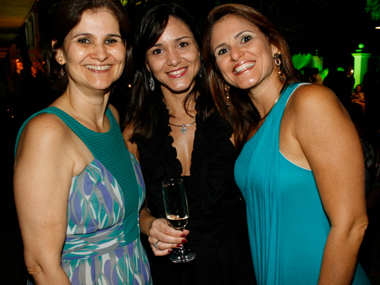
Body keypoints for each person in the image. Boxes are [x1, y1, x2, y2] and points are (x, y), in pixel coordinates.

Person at [202, 3, 371, 285]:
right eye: (222, 50)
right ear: (218, 70)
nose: (235, 54)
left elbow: (353, 224)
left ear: (274, 46)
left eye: (245, 38)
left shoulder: (309, 102)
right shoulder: (252, 128)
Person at [13, 0, 151, 284]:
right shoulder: (47, 132)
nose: (100, 53)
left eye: (111, 40)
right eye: (84, 40)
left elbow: (128, 218)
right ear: (60, 52)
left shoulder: (112, 116)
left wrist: (151, 224)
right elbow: (41, 265)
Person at [123, 3, 256, 285]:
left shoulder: (239, 117)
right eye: (157, 50)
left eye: (182, 44)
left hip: (236, 265)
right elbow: (130, 209)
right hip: (169, 272)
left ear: (199, 48)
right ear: (146, 63)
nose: (173, 60)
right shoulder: (134, 133)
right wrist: (149, 225)